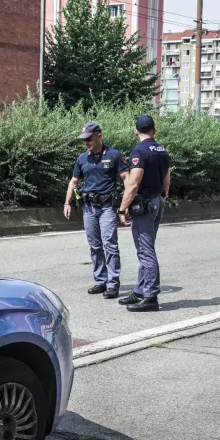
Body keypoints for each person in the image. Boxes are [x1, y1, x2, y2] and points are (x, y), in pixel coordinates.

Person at [64, 122, 128, 299]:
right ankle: (101, 281)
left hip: (107, 207)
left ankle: (113, 284)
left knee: (110, 244)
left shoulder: (114, 155)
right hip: (89, 208)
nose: (86, 143)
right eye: (84, 140)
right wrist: (67, 203)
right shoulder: (82, 158)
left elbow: (126, 179)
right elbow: (74, 181)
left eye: (89, 139)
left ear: (99, 135)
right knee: (95, 245)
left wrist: (126, 205)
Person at [118, 115, 171, 312]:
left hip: (144, 205)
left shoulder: (139, 152)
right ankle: (140, 290)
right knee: (145, 248)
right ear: (154, 130)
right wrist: (161, 198)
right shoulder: (162, 150)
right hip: (157, 202)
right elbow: (167, 179)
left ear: (136, 131)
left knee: (146, 251)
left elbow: (133, 184)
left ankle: (150, 296)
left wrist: (122, 209)